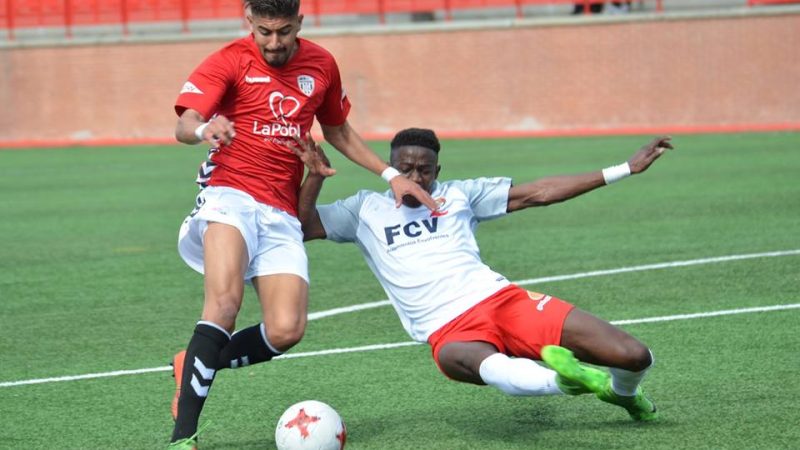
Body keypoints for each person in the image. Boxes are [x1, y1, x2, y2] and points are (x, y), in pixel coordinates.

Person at [167, 1, 437, 448]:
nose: (274, 43)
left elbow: (338, 131)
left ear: (300, 24)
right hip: (229, 196)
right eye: (265, 32)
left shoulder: (321, 64)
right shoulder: (229, 60)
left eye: (284, 32)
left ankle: (194, 362)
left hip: (281, 211)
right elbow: (184, 122)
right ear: (249, 21)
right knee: (224, 306)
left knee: (286, 330)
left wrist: (390, 177)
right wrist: (203, 130)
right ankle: (182, 438)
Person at [293, 128, 673, 424]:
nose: (414, 176)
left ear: (436, 172)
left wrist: (625, 168)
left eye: (424, 170)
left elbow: (539, 192)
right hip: (447, 329)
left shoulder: (460, 195)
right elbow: (305, 225)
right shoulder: (364, 209)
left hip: (501, 301)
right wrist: (316, 177)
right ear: (389, 170)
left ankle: (623, 394)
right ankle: (566, 380)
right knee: (487, 366)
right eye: (404, 168)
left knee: (635, 356)